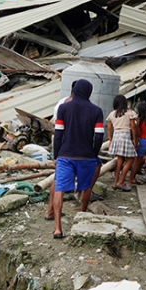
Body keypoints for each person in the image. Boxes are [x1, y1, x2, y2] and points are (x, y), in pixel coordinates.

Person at [52, 79, 104, 239]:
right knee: (86, 187)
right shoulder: (96, 110)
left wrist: (56, 155)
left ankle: (58, 229)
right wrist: (94, 153)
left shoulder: (63, 108)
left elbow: (58, 133)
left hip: (65, 155)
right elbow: (99, 135)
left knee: (59, 188)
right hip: (86, 156)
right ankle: (82, 217)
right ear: (89, 92)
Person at [107, 95, 138, 192]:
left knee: (119, 159)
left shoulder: (112, 114)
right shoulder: (130, 112)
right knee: (130, 159)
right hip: (125, 136)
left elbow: (109, 128)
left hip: (116, 136)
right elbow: (133, 127)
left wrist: (110, 139)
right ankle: (121, 181)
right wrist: (134, 138)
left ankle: (115, 182)